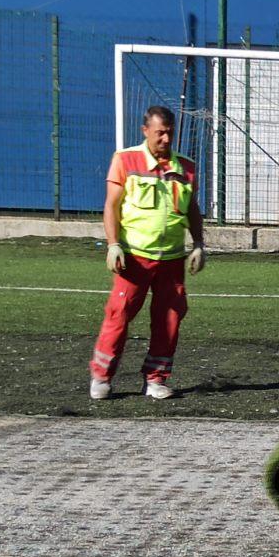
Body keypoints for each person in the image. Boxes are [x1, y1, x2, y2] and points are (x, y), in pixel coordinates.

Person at [89, 105, 205, 400]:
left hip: (172, 259)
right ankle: (101, 377)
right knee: (119, 315)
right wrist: (113, 244)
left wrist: (199, 244)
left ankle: (156, 379)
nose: (166, 139)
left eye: (170, 133)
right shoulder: (125, 160)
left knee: (170, 319)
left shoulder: (186, 168)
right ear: (145, 131)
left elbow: (192, 209)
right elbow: (111, 206)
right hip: (134, 257)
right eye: (160, 133)